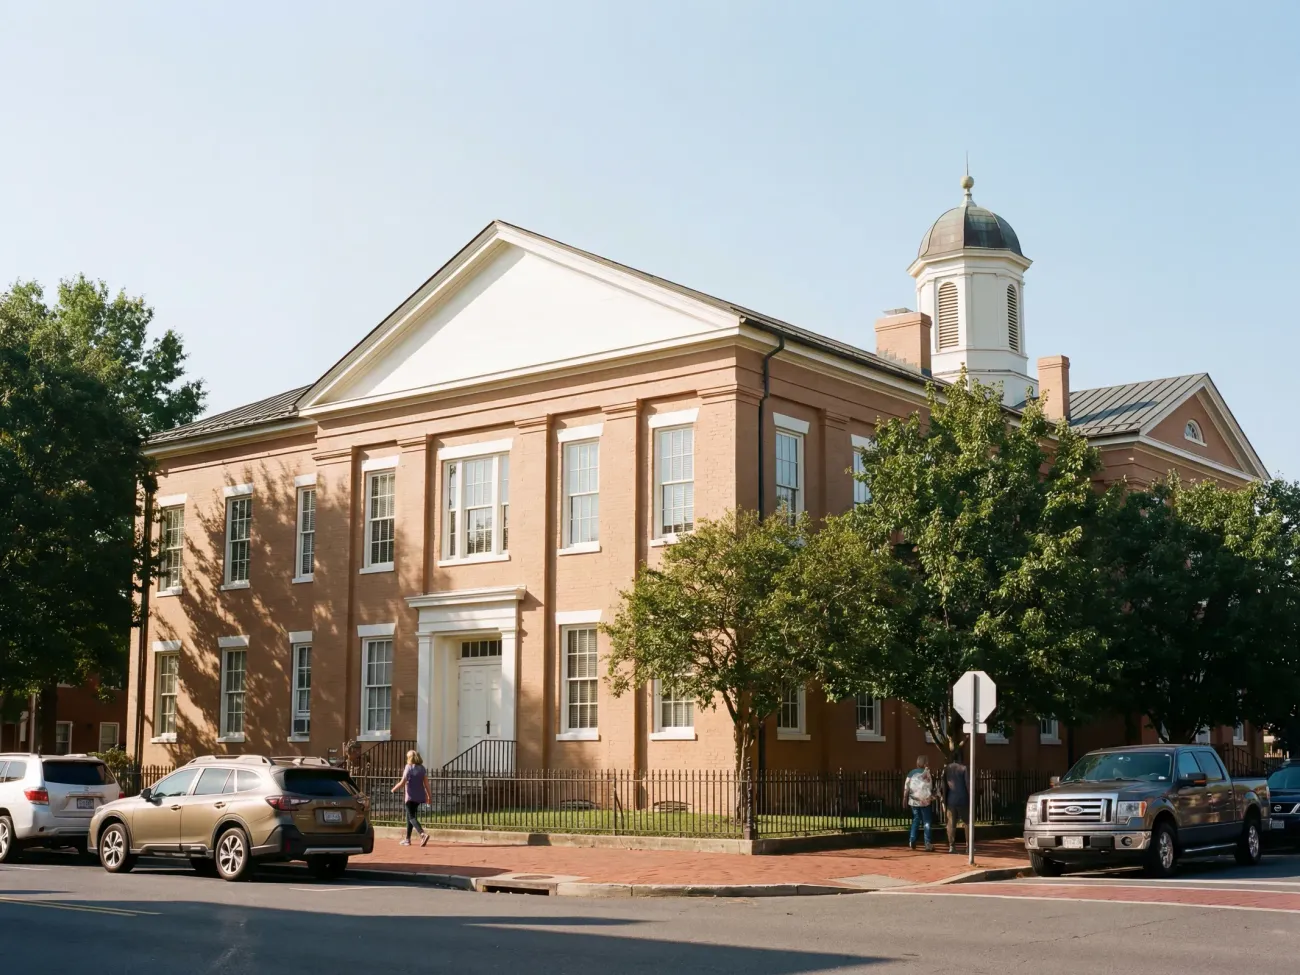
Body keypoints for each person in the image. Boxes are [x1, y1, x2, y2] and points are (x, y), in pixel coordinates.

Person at [390, 749, 431, 847]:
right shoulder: (422, 768)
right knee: (409, 817)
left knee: (411, 817)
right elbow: (426, 784)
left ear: (409, 758)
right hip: (419, 796)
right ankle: (407, 839)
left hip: (410, 796)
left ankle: (422, 834)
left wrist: (393, 789)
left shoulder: (408, 767)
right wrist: (429, 796)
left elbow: (403, 782)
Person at [903, 755, 935, 851]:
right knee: (927, 822)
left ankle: (912, 839)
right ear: (925, 763)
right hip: (925, 801)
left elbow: (906, 787)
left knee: (916, 819)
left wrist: (904, 798)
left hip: (914, 801)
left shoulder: (911, 773)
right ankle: (928, 843)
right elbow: (930, 787)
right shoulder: (927, 773)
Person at [942, 751, 970, 854]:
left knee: (951, 823)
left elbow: (944, 786)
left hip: (951, 799)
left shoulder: (947, 769)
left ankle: (952, 846)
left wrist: (944, 800)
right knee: (967, 823)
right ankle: (968, 847)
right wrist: (971, 797)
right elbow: (967, 784)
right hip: (963, 798)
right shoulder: (963, 768)